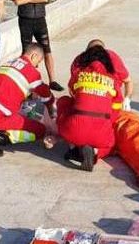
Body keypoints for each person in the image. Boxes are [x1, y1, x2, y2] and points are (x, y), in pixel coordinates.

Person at [54, 41, 129, 171]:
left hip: (74, 129)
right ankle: (95, 152)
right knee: (112, 145)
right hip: (101, 132)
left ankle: (73, 146)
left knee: (63, 101)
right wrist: (106, 123)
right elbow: (117, 106)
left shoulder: (79, 74)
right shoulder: (112, 79)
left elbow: (73, 94)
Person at [0, 43, 55, 158]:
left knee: (19, 109)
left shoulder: (9, 63)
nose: (37, 66)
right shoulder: (31, 72)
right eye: (38, 62)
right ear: (33, 56)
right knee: (39, 130)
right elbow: (46, 96)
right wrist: (52, 109)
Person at [10, 0, 62, 92]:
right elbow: (17, 1)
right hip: (25, 19)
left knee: (47, 49)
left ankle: (53, 81)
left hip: (40, 19)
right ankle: (26, 82)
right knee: (26, 52)